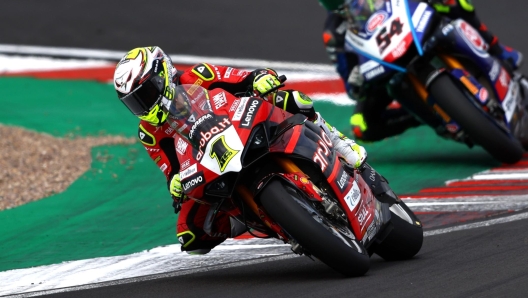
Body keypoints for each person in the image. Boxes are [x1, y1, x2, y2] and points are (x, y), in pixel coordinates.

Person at [113, 46, 367, 254]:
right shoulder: (149, 132)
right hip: (209, 162)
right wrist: (175, 183)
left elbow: (244, 79)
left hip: (242, 126)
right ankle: (256, 217)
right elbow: (171, 168)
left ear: (162, 76)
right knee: (191, 237)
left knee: (291, 99)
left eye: (145, 94)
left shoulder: (200, 75)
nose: (143, 105)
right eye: (134, 102)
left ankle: (338, 143)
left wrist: (261, 78)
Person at [318, 0, 524, 141]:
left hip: (419, 26)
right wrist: (355, 79)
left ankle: (499, 50)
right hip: (386, 68)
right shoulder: (333, 33)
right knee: (360, 125)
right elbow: (351, 85)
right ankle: (434, 115)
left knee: (455, 2)